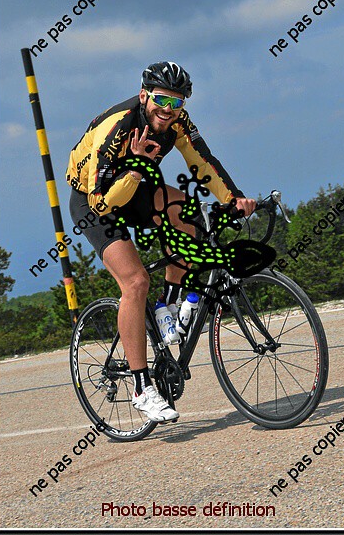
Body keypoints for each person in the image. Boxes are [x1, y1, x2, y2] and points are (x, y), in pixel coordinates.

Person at [66, 61, 256, 423]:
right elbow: (102, 202)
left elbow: (203, 162)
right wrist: (137, 166)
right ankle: (141, 388)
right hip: (95, 199)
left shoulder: (177, 121)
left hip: (136, 185)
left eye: (176, 102)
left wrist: (234, 199)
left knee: (189, 214)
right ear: (143, 96)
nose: (168, 110)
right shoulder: (118, 126)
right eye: (161, 100)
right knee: (135, 281)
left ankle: (167, 304)